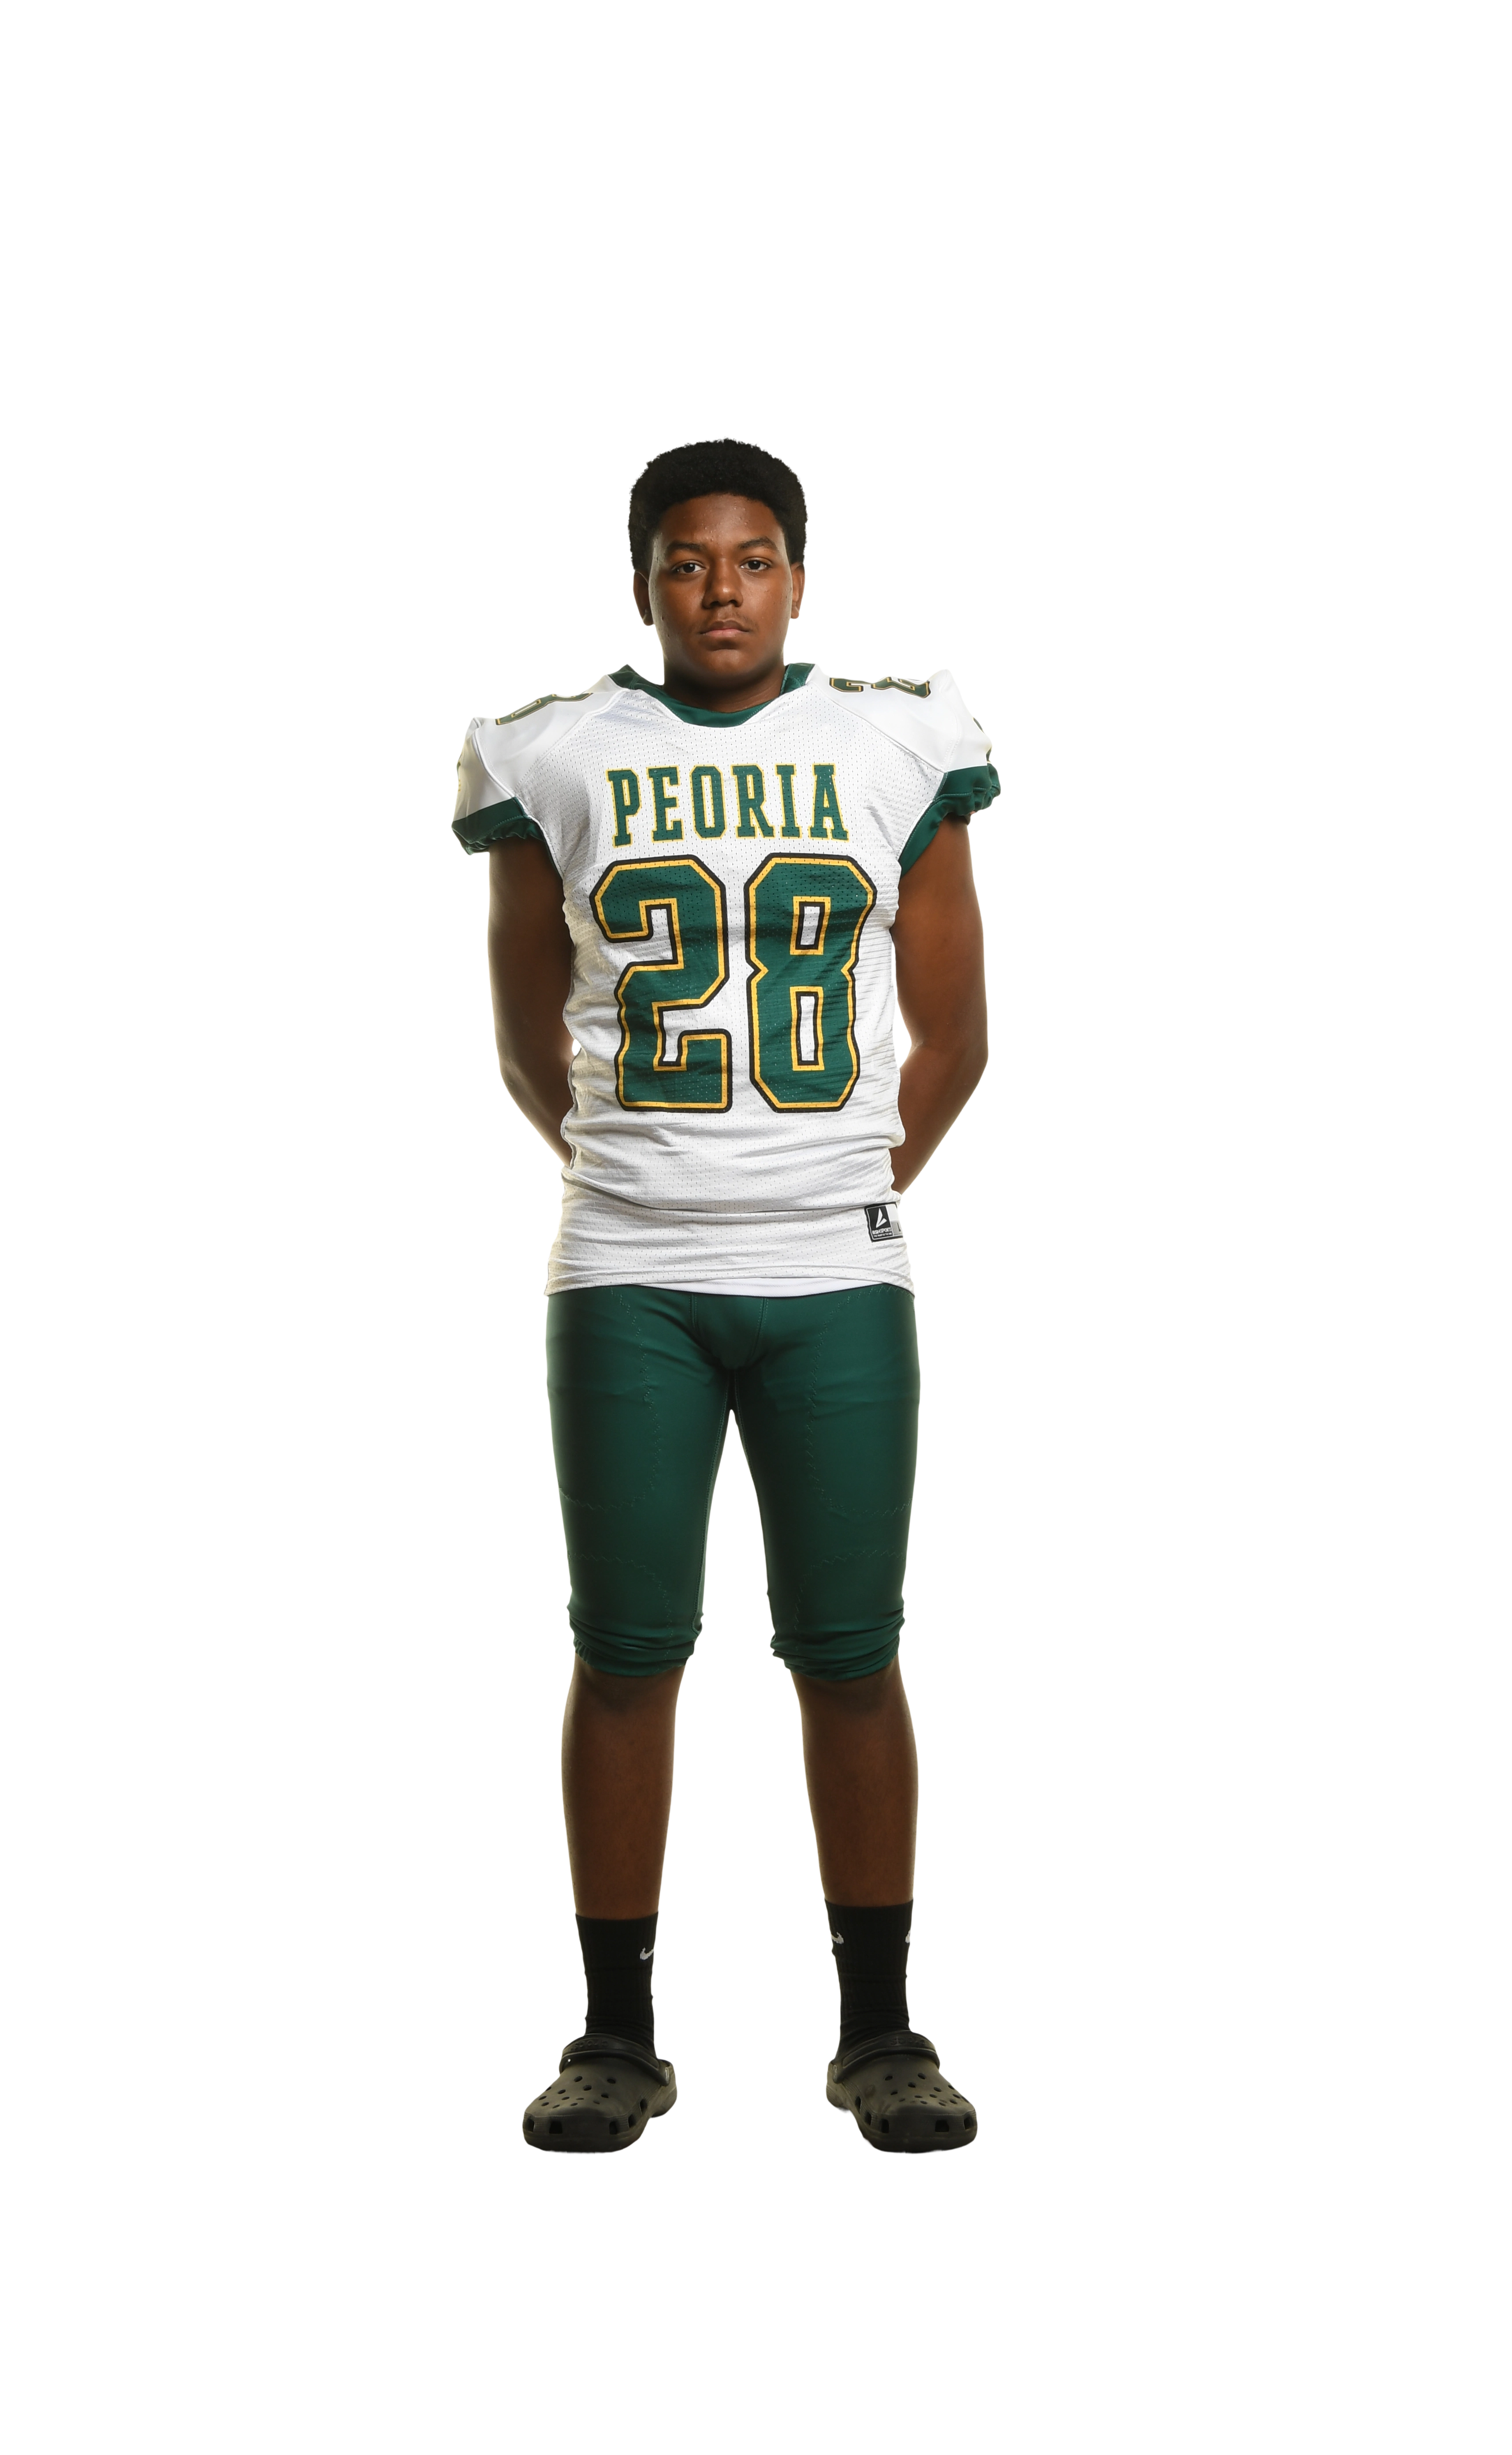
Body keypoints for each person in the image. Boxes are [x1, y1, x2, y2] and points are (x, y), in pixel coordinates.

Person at [451, 435, 999, 2154]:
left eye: (752, 559)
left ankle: (880, 2031)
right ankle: (616, 2038)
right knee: (626, 1651)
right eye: (687, 562)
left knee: (851, 1652)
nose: (720, 590)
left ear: (797, 578)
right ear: (645, 585)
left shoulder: (895, 739)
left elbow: (959, 1033)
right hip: (628, 1272)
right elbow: (527, 1039)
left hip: (836, 1274)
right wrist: (653, 1182)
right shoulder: (552, 751)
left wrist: (825, 1186)